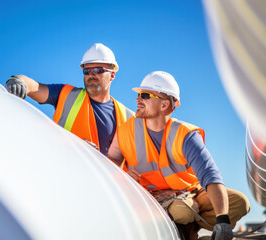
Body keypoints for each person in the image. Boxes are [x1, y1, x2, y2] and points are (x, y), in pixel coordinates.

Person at [107, 71, 249, 240]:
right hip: (150, 199)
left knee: (239, 202)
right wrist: (123, 175)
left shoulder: (185, 135)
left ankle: (192, 224)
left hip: (189, 193)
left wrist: (223, 221)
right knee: (182, 210)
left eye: (144, 95)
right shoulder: (125, 130)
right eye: (138, 95)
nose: (138, 99)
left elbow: (210, 175)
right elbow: (110, 162)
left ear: (164, 105)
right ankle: (187, 227)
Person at [5, 43, 134, 156]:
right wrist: (19, 80)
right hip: (66, 174)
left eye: (98, 70)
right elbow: (35, 87)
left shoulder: (129, 118)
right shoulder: (66, 94)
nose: (91, 75)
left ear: (112, 75)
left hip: (103, 181)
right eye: (87, 71)